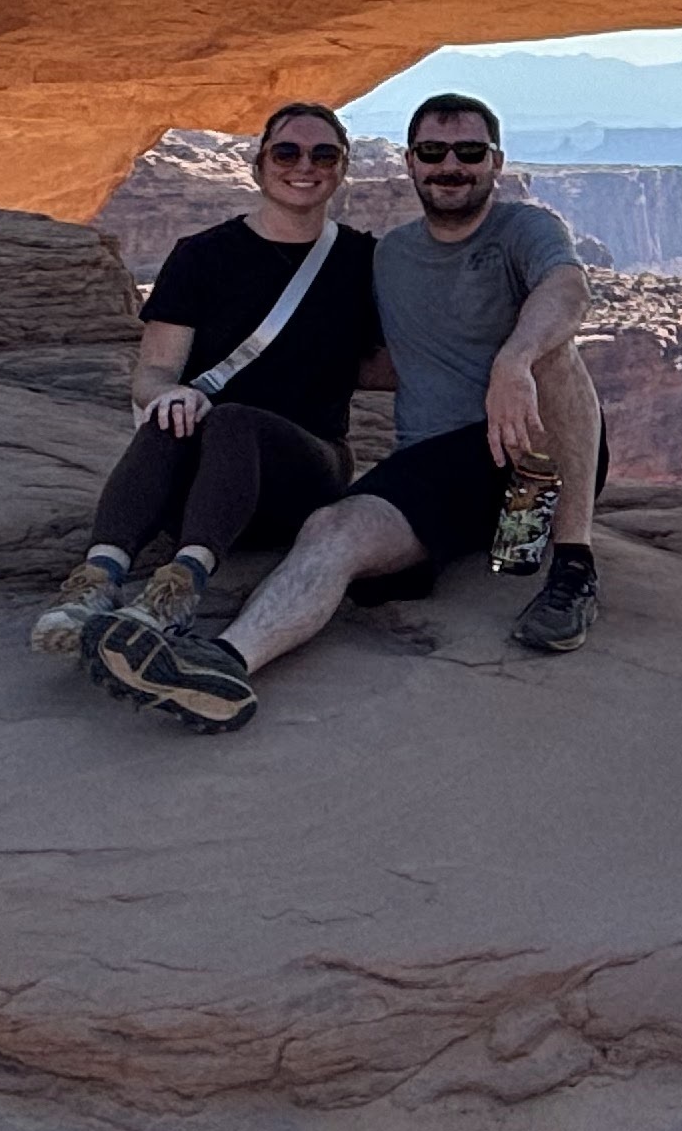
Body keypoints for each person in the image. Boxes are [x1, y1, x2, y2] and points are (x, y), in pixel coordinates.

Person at [88, 89, 605, 734]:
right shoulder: (386, 257)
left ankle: (574, 570)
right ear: (411, 165)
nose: (452, 165)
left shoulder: (525, 227)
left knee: (555, 354)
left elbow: (567, 288)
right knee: (334, 530)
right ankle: (220, 666)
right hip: (439, 470)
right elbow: (348, 350)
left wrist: (514, 360)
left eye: (470, 152)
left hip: (531, 452)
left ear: (495, 162)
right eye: (433, 152)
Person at [31, 102, 389, 659]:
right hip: (206, 487)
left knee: (230, 419)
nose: (305, 165)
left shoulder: (364, 261)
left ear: (341, 169)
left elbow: (391, 362)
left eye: (324, 154)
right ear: (258, 164)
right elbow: (153, 374)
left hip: (305, 473)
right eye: (287, 151)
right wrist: (167, 396)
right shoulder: (202, 257)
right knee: (175, 415)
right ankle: (96, 582)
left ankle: (178, 590)